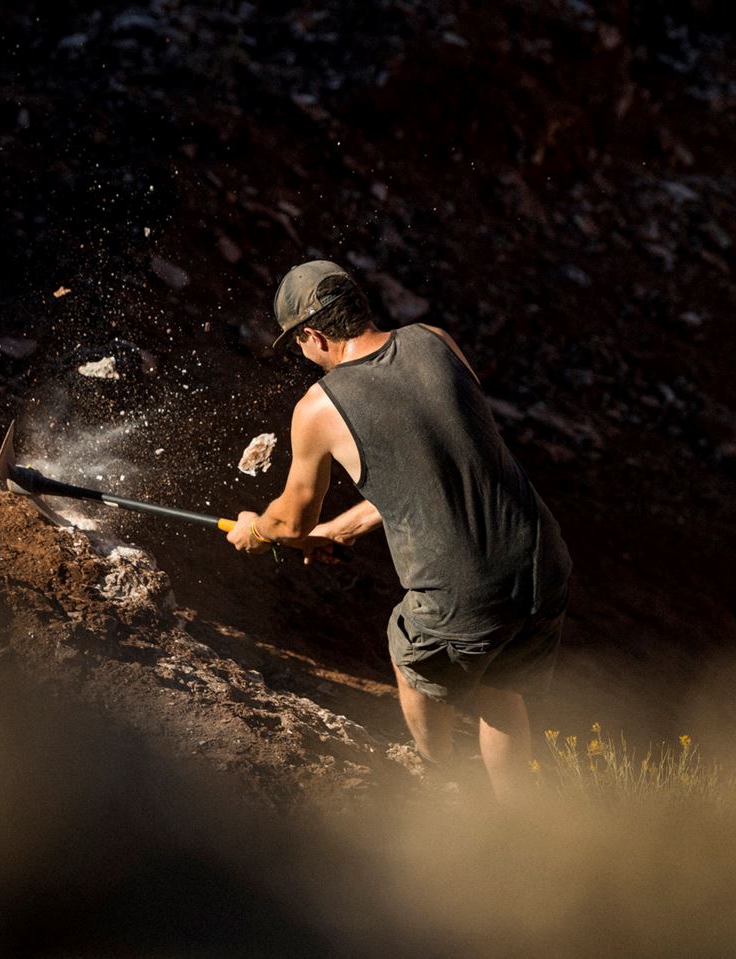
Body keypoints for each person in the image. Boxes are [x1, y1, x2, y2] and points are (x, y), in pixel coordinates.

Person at [226, 260, 572, 802]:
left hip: (463, 586)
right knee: (502, 692)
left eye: (297, 342)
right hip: (539, 558)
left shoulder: (319, 407)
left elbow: (292, 520)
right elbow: (447, 465)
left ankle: (444, 783)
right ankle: (516, 817)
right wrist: (342, 528)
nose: (301, 353)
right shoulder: (435, 340)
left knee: (410, 660)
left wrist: (257, 530)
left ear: (314, 335)